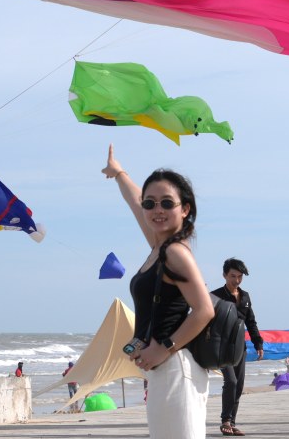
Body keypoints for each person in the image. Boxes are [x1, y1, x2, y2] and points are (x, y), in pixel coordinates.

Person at [104, 144, 214, 439]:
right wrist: (119, 174)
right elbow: (134, 202)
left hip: (175, 366)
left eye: (167, 203)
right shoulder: (159, 247)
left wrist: (161, 347)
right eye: (150, 204)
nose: (157, 210)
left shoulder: (175, 252)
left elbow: (204, 310)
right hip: (163, 369)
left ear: (185, 209)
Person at [210, 257, 263, 436]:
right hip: (221, 347)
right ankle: (225, 420)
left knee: (239, 385)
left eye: (240, 277)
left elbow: (251, 321)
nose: (237, 280)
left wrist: (258, 343)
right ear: (225, 275)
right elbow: (204, 323)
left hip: (240, 347)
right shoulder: (215, 296)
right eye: (233, 276)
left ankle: (232, 422)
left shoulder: (245, 296)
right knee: (231, 382)